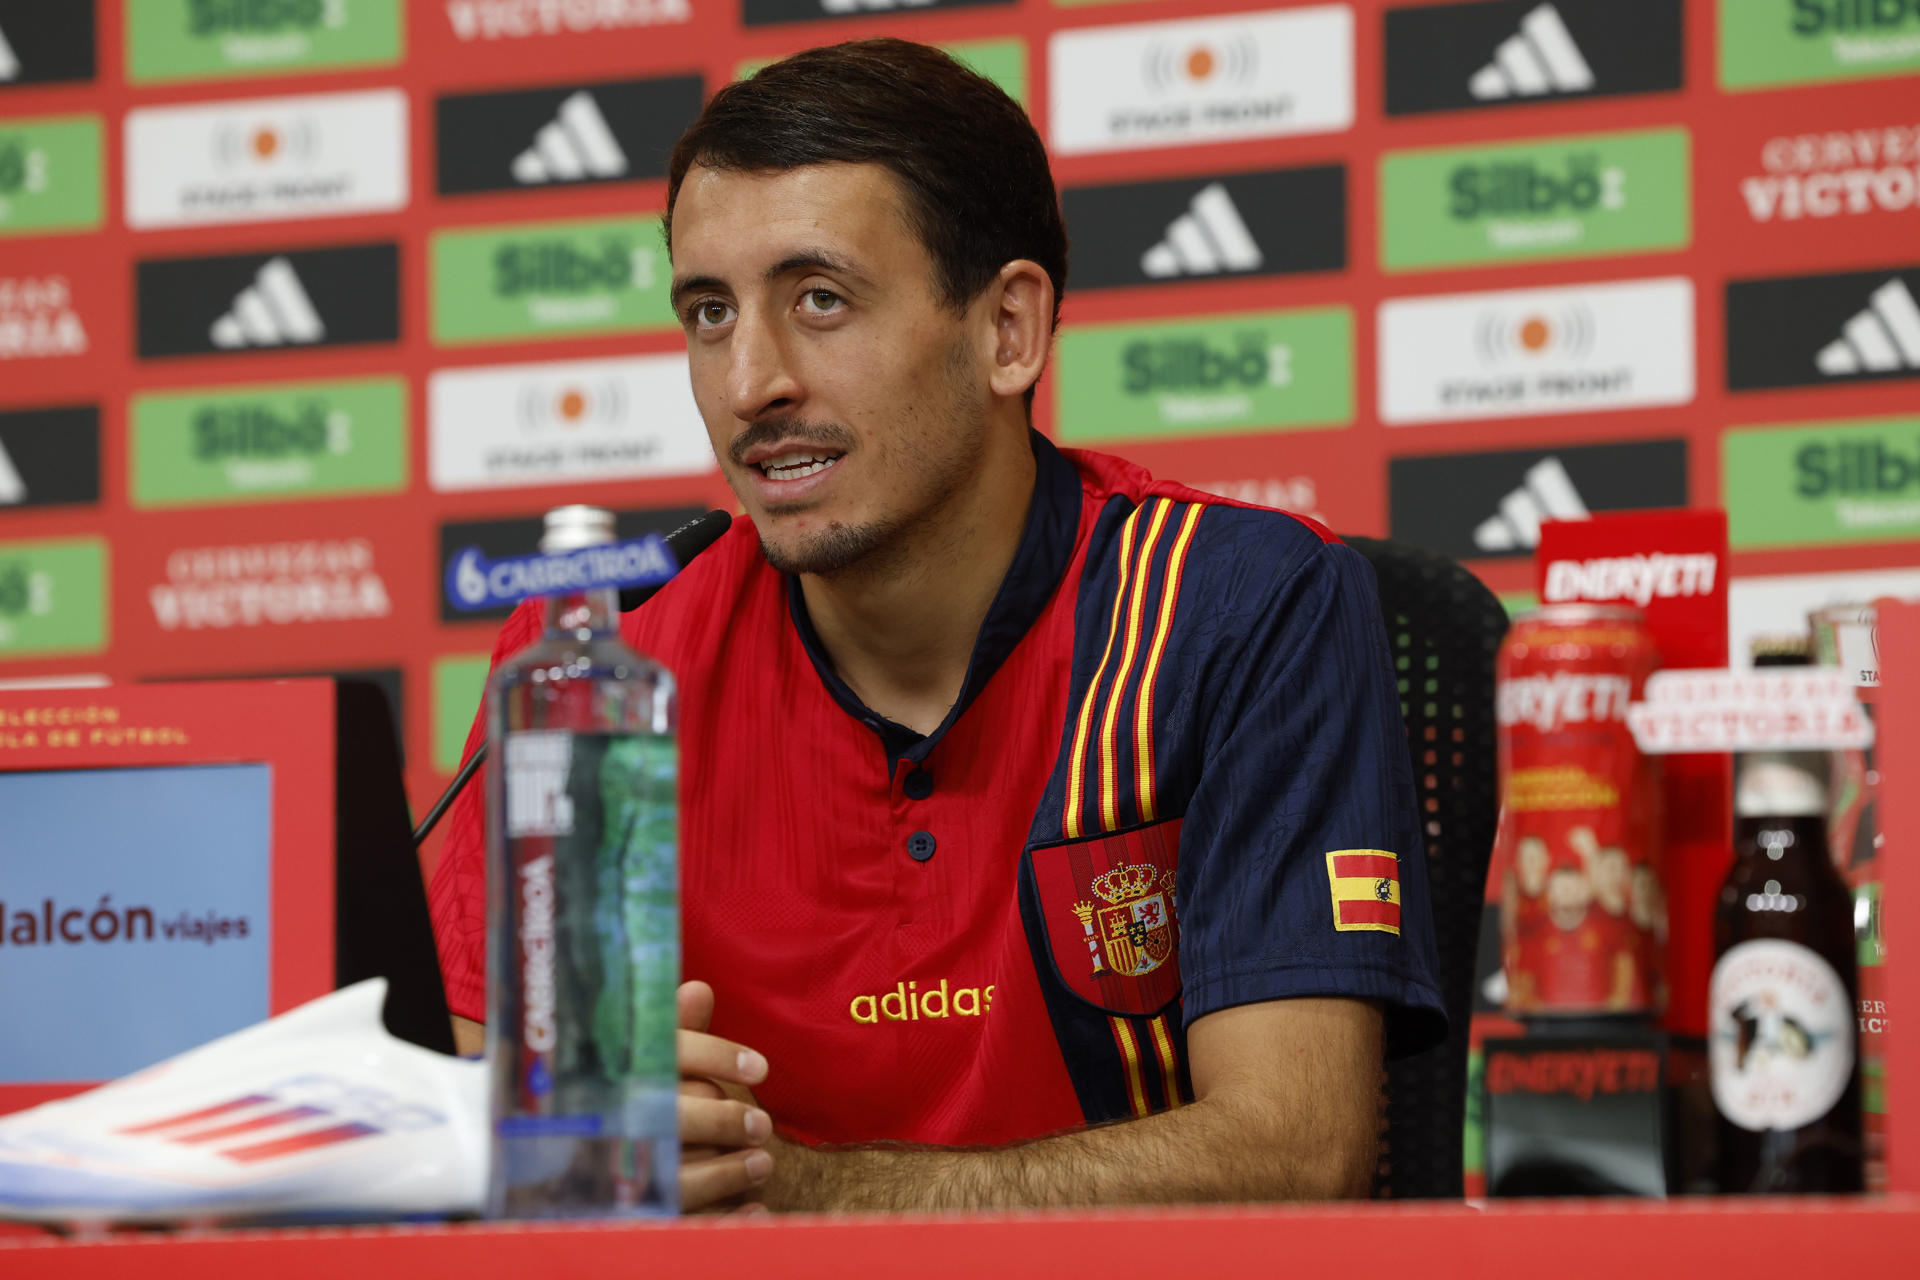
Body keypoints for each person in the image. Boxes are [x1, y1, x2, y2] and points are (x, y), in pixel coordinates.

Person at [427, 37, 1444, 1213]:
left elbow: (1295, 1151)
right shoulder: (601, 660)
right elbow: (469, 1118)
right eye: (709, 312)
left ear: (1008, 328)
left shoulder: (1236, 607)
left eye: (820, 299)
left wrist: (790, 1188)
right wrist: (545, 1132)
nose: (750, 379)